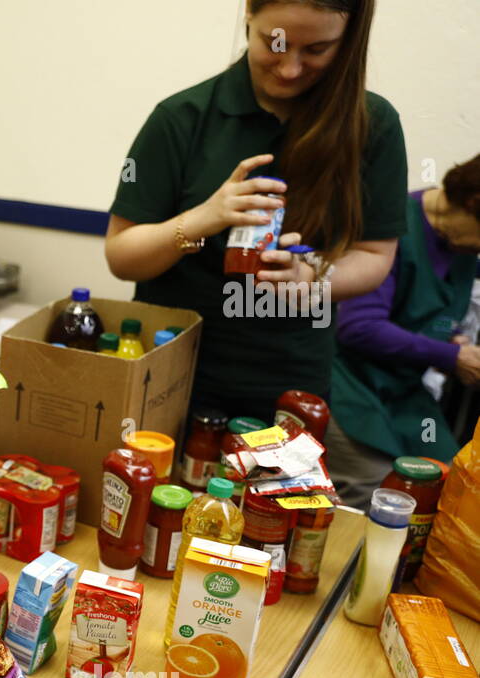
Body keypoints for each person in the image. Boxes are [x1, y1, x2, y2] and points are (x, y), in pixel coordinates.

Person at [105, 0, 406, 423]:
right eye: (275, 43)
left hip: (287, 381)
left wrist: (312, 278)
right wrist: (201, 219)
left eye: (317, 50)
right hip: (171, 372)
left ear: (350, 39)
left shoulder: (373, 124)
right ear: (249, 12)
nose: (290, 69)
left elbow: (375, 255)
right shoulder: (181, 118)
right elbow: (122, 257)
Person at [325, 155, 480, 507]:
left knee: (457, 486)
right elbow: (358, 327)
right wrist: (451, 356)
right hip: (350, 384)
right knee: (378, 491)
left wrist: (450, 342)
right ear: (471, 205)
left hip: (404, 393)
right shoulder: (392, 228)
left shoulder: (462, 243)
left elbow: (428, 314)